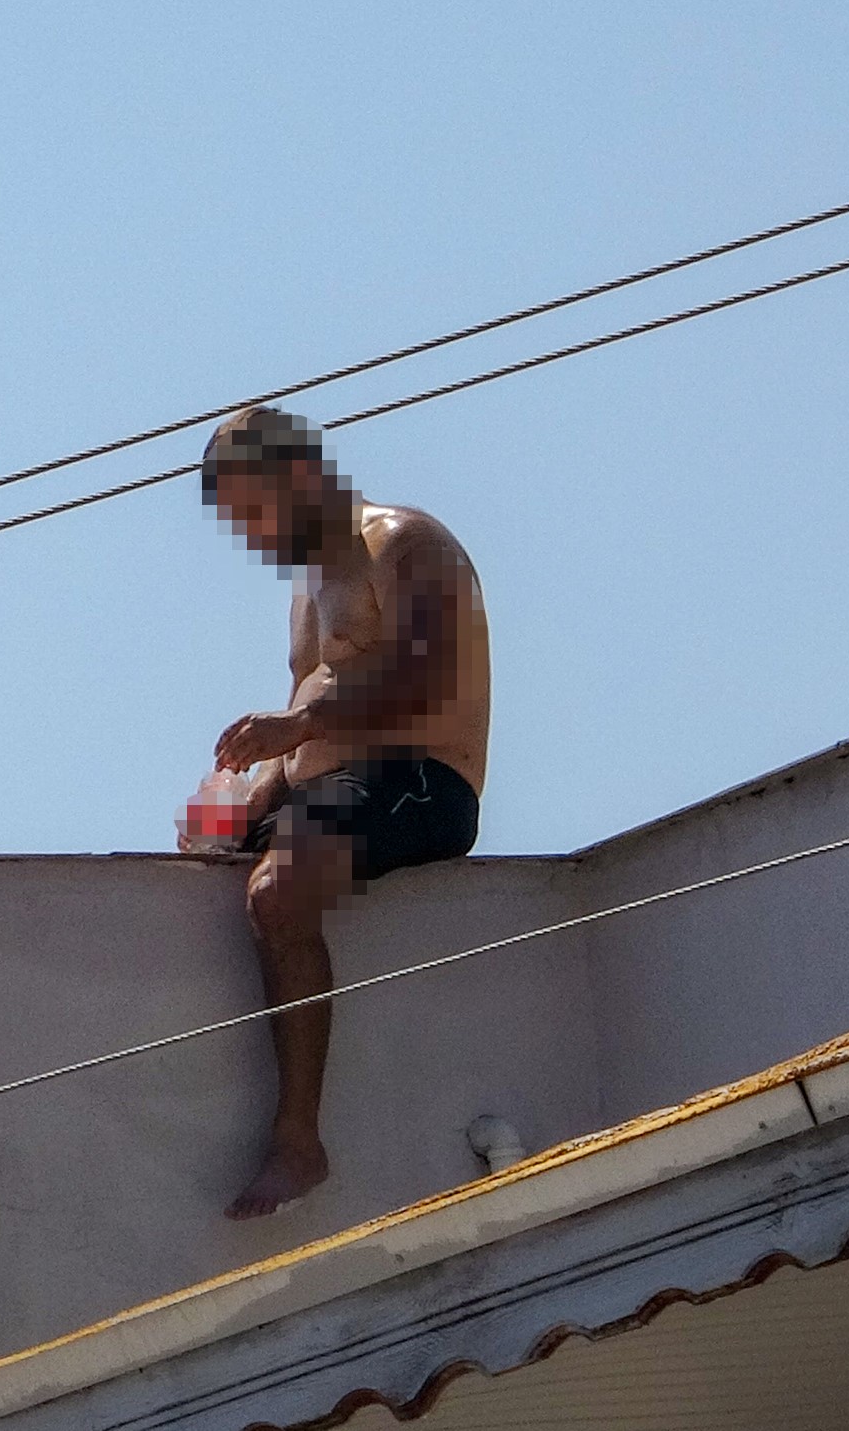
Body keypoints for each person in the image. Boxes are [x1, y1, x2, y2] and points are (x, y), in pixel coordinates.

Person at [190, 406, 490, 1219]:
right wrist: (233, 811)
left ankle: (298, 1139)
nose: (252, 536)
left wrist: (300, 725)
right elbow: (304, 734)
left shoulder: (403, 542)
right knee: (209, 851)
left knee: (276, 893)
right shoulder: (309, 591)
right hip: (338, 783)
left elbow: (430, 678)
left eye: (253, 512)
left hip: (422, 777)